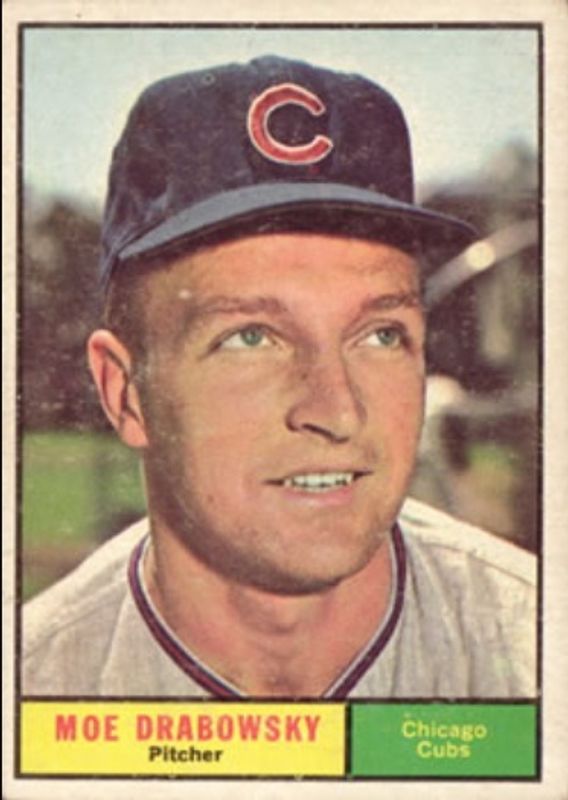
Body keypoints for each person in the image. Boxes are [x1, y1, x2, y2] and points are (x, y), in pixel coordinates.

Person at [22, 55, 536, 698]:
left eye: (380, 335)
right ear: (125, 394)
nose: (337, 411)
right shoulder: (33, 686)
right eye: (251, 338)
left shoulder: (537, 650)